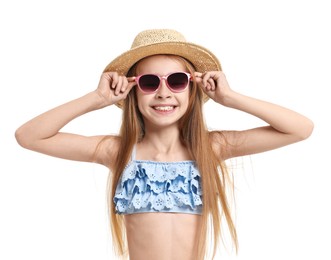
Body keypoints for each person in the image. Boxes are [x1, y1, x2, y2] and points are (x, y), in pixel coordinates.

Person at [15, 29, 314, 260]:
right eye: (148, 82)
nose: (162, 93)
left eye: (176, 81)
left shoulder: (211, 148)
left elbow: (300, 129)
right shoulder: (118, 152)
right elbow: (29, 136)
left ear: (192, 88)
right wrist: (96, 99)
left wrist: (231, 98)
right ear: (133, 91)